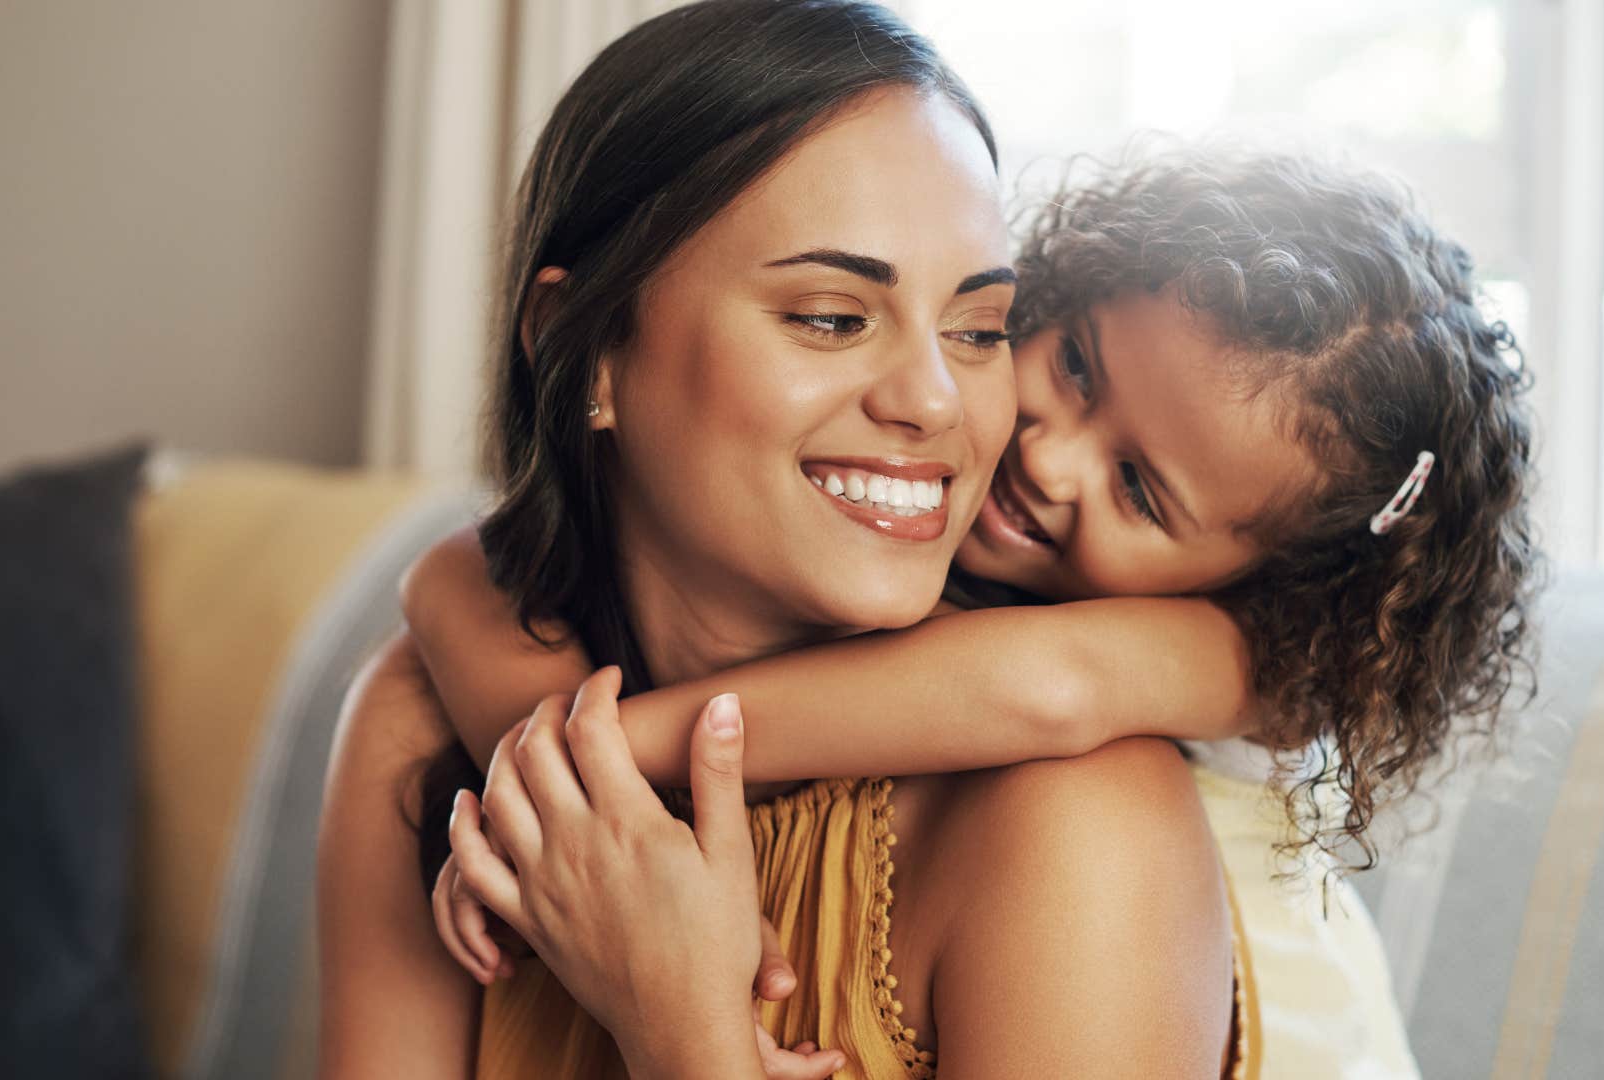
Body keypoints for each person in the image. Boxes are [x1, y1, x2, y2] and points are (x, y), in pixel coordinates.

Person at [417, 147, 1538, 1075]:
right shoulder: (905, 552)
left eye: (1139, 491)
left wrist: (609, 770)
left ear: (1266, 583)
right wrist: (556, 809)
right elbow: (454, 584)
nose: (1052, 458)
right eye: (1080, 367)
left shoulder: (1250, 659)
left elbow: (1041, 688)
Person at [316, 2, 1240, 1077]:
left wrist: (685, 1032)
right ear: (584, 347)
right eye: (833, 317)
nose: (937, 401)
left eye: (979, 330)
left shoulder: (1079, 822)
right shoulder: (426, 731)